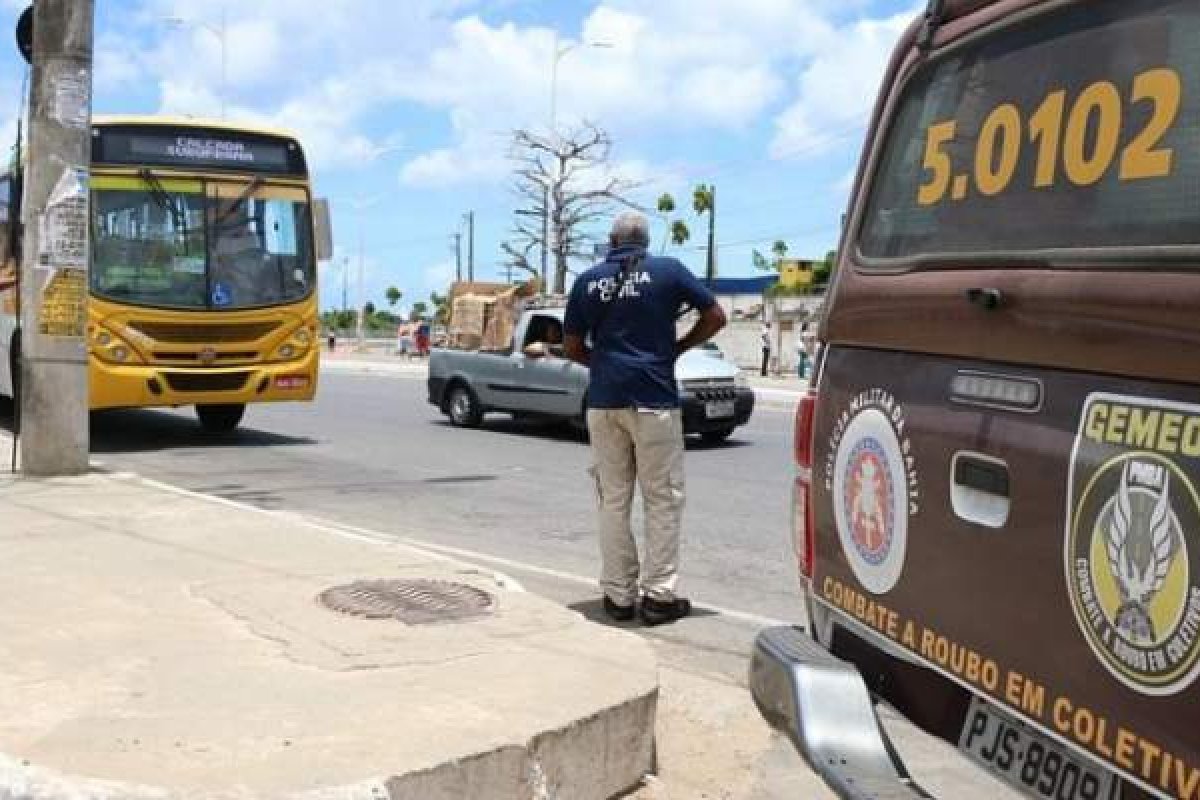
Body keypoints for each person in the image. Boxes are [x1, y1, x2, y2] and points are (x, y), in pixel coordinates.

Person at [564, 211, 727, 626]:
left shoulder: (587, 281)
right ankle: (658, 596)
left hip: (604, 402)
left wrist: (603, 364)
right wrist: (678, 347)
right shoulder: (668, 271)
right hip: (654, 400)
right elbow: (716, 316)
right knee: (663, 499)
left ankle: (617, 597)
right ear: (646, 241)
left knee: (612, 500)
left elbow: (571, 346)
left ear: (611, 240)